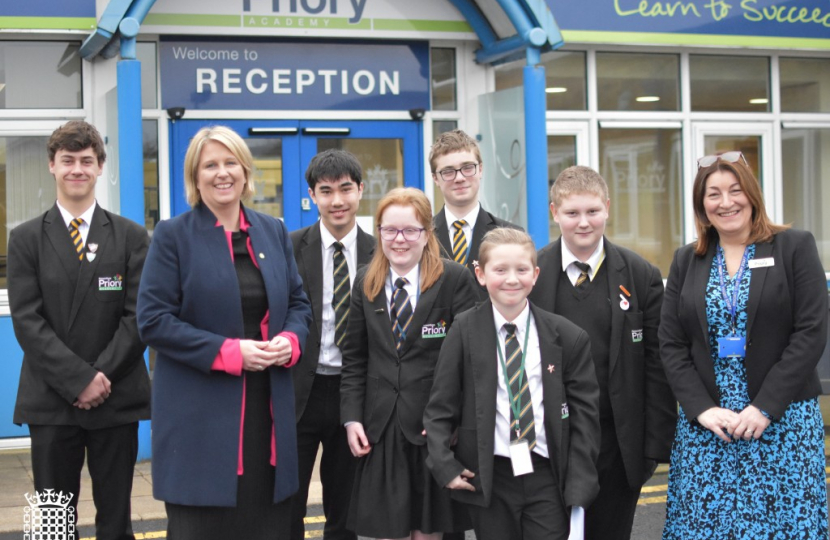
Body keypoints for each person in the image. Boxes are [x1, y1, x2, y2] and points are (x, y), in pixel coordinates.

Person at [136, 126, 312, 540]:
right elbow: (153, 320)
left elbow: (299, 304)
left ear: (246, 171)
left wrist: (290, 341)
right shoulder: (172, 236)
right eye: (210, 165)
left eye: (230, 162)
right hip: (199, 423)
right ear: (195, 178)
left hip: (267, 417)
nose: (222, 173)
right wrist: (230, 353)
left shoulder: (272, 230)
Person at [659, 151, 829, 539]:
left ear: (752, 194)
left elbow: (811, 332)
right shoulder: (688, 259)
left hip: (781, 424)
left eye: (735, 190)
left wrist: (765, 407)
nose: (726, 202)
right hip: (710, 429)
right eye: (713, 194)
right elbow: (670, 344)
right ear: (701, 205)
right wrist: (701, 410)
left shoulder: (793, 247)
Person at [7, 120, 151, 540]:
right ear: (52, 166)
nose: (77, 169)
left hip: (114, 394)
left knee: (116, 518)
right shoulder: (25, 239)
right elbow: (27, 321)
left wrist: (99, 377)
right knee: (51, 522)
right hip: (51, 400)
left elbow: (138, 315)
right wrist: (78, 380)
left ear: (100, 167)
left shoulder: (130, 236)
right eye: (67, 160)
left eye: (86, 160)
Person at [528, 166, 676, 540]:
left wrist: (652, 448)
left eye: (592, 211)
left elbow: (656, 365)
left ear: (607, 208)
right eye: (572, 213)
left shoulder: (641, 275)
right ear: (554, 212)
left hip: (617, 446)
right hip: (548, 444)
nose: (583, 222)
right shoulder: (532, 274)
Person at [424, 227, 600, 540]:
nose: (511, 279)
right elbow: (440, 406)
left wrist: (579, 485)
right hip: (491, 475)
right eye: (500, 270)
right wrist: (444, 464)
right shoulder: (464, 330)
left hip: (545, 472)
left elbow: (585, 420)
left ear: (535, 275)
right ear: (480, 274)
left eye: (521, 270)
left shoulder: (568, 337)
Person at [340, 187, 478, 540]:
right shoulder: (364, 282)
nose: (399, 240)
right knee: (383, 532)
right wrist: (352, 417)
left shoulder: (454, 280)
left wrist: (453, 421)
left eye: (410, 230)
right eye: (390, 230)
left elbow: (470, 361)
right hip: (380, 431)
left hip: (431, 432)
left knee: (427, 534)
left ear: (427, 233)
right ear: (379, 231)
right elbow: (355, 357)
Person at [289, 149, 375, 540]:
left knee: (345, 510)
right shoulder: (288, 248)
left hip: (354, 392)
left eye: (345, 189)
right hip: (299, 391)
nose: (337, 200)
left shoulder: (382, 252)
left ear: (360, 190)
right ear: (312, 195)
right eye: (326, 191)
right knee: (286, 504)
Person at [430, 129, 522, 299]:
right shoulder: (421, 236)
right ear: (435, 178)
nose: (459, 178)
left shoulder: (511, 235)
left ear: (480, 169)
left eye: (467, 168)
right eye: (448, 171)